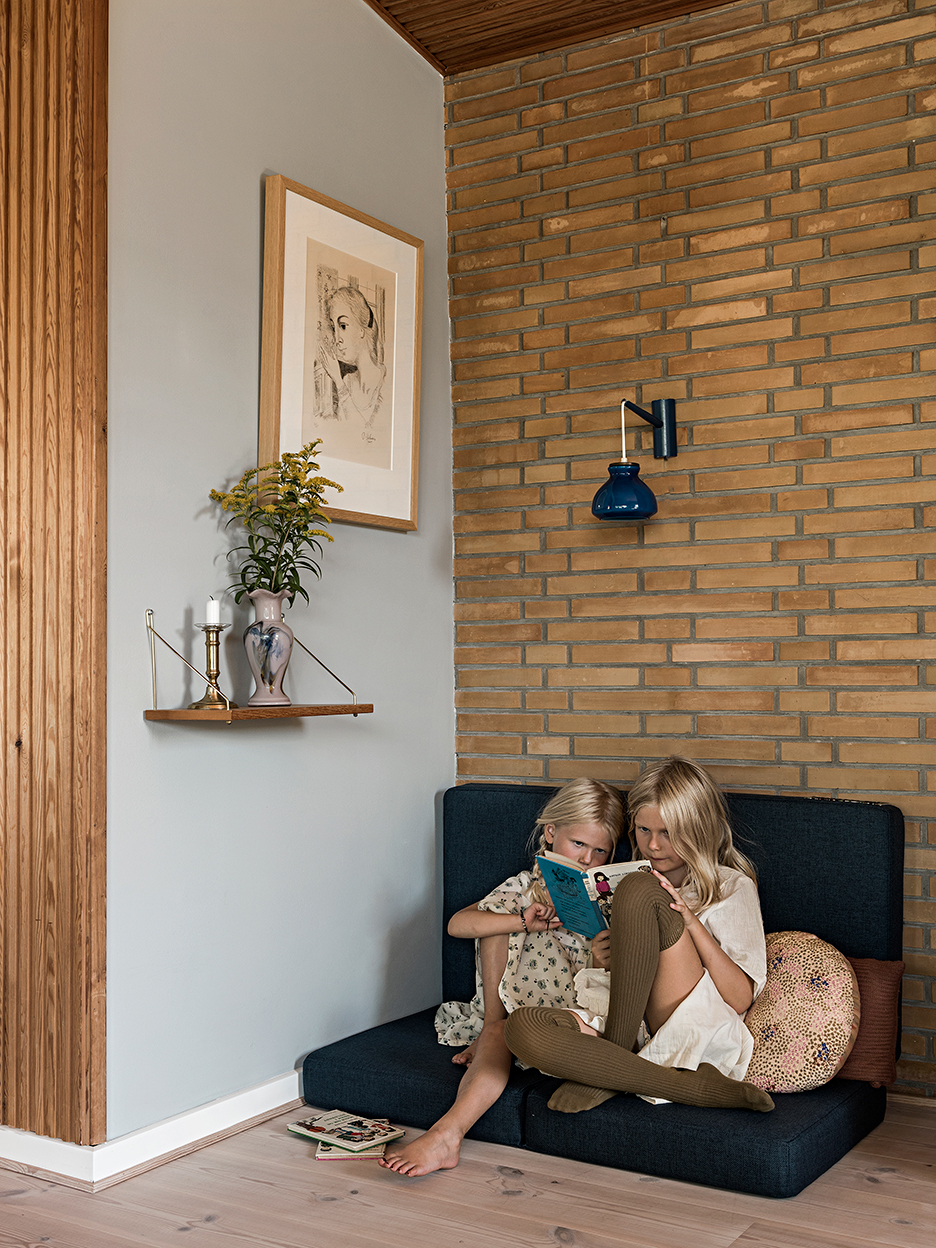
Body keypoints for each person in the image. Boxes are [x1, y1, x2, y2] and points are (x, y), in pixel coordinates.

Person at [379, 777, 625, 1176]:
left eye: (600, 851)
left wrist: (602, 951)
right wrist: (523, 922)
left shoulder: (609, 899)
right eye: (578, 844)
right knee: (494, 925)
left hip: (574, 1023)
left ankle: (450, 1130)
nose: (586, 861)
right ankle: (447, 1135)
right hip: (514, 1016)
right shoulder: (524, 888)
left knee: (502, 1032)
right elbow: (458, 925)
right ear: (550, 833)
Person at [504, 756, 775, 1114]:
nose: (653, 846)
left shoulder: (730, 886)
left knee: (641, 889)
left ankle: (608, 1067)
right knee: (521, 1027)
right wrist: (604, 959)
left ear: (699, 829)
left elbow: (740, 998)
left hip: (686, 1024)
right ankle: (678, 1085)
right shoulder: (622, 876)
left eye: (668, 833)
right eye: (644, 831)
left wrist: (690, 922)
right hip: (627, 1019)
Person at [318, 286, 386, 436]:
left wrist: (338, 381)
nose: (337, 339)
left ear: (362, 330)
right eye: (334, 327)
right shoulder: (346, 381)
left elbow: (365, 434)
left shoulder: (387, 383)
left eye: (343, 326)